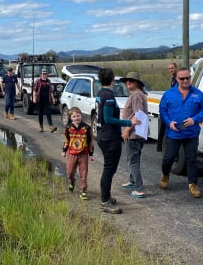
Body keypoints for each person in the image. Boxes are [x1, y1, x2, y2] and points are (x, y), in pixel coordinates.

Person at [158, 67, 203, 198]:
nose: (186, 80)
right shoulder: (168, 94)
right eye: (182, 78)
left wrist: (195, 119)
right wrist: (169, 122)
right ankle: (165, 174)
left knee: (191, 159)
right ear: (177, 79)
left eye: (188, 78)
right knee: (168, 158)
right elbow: (163, 111)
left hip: (191, 133)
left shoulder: (198, 94)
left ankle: (193, 184)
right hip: (173, 133)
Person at [96, 68, 139, 214]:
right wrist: (128, 123)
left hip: (103, 135)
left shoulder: (100, 93)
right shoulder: (108, 95)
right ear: (112, 80)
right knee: (109, 169)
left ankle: (106, 196)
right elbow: (108, 119)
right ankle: (104, 201)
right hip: (109, 137)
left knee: (110, 169)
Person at [119, 72, 148, 198]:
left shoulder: (136, 95)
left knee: (133, 161)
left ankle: (139, 189)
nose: (128, 83)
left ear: (137, 83)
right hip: (137, 134)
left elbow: (138, 115)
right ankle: (132, 181)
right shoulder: (137, 94)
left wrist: (126, 130)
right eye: (127, 81)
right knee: (133, 159)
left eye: (131, 81)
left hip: (134, 134)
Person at [61, 106, 95, 200]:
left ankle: (83, 191)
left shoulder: (86, 128)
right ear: (71, 118)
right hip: (72, 153)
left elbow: (90, 141)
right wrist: (64, 151)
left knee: (83, 172)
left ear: (81, 115)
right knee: (70, 171)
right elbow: (67, 140)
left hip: (83, 153)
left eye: (78, 116)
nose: (76, 118)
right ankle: (72, 182)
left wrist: (91, 154)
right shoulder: (68, 128)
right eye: (74, 116)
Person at [32, 68, 57, 133]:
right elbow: (34, 90)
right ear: (41, 74)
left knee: (48, 113)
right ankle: (41, 127)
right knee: (40, 114)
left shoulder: (48, 81)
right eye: (43, 74)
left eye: (45, 74)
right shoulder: (37, 81)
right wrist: (34, 98)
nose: (44, 75)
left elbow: (51, 91)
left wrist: (53, 98)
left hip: (47, 100)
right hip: (39, 100)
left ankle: (51, 126)